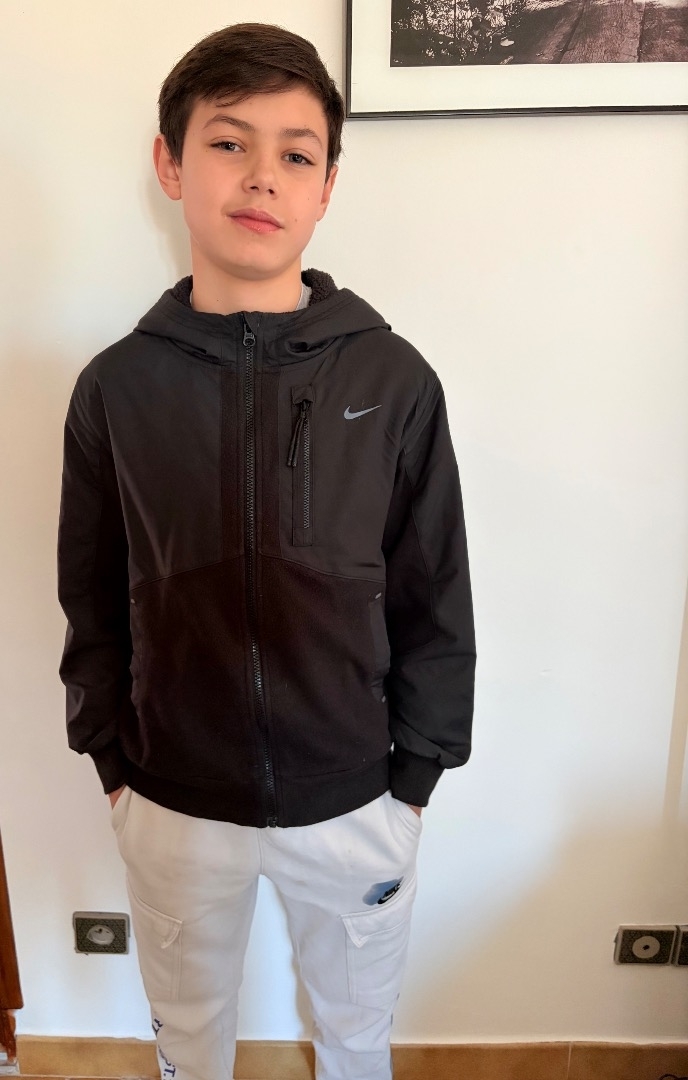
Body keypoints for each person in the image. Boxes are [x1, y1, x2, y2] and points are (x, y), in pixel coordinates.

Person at [57, 21, 476, 1080]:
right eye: (228, 142)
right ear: (170, 164)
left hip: (357, 800)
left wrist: (413, 780)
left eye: (295, 153)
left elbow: (434, 590)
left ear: (327, 185)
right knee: (189, 1044)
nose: (261, 176)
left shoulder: (393, 380)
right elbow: (92, 593)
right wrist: (111, 761)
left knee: (355, 1041)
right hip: (171, 799)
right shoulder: (117, 387)